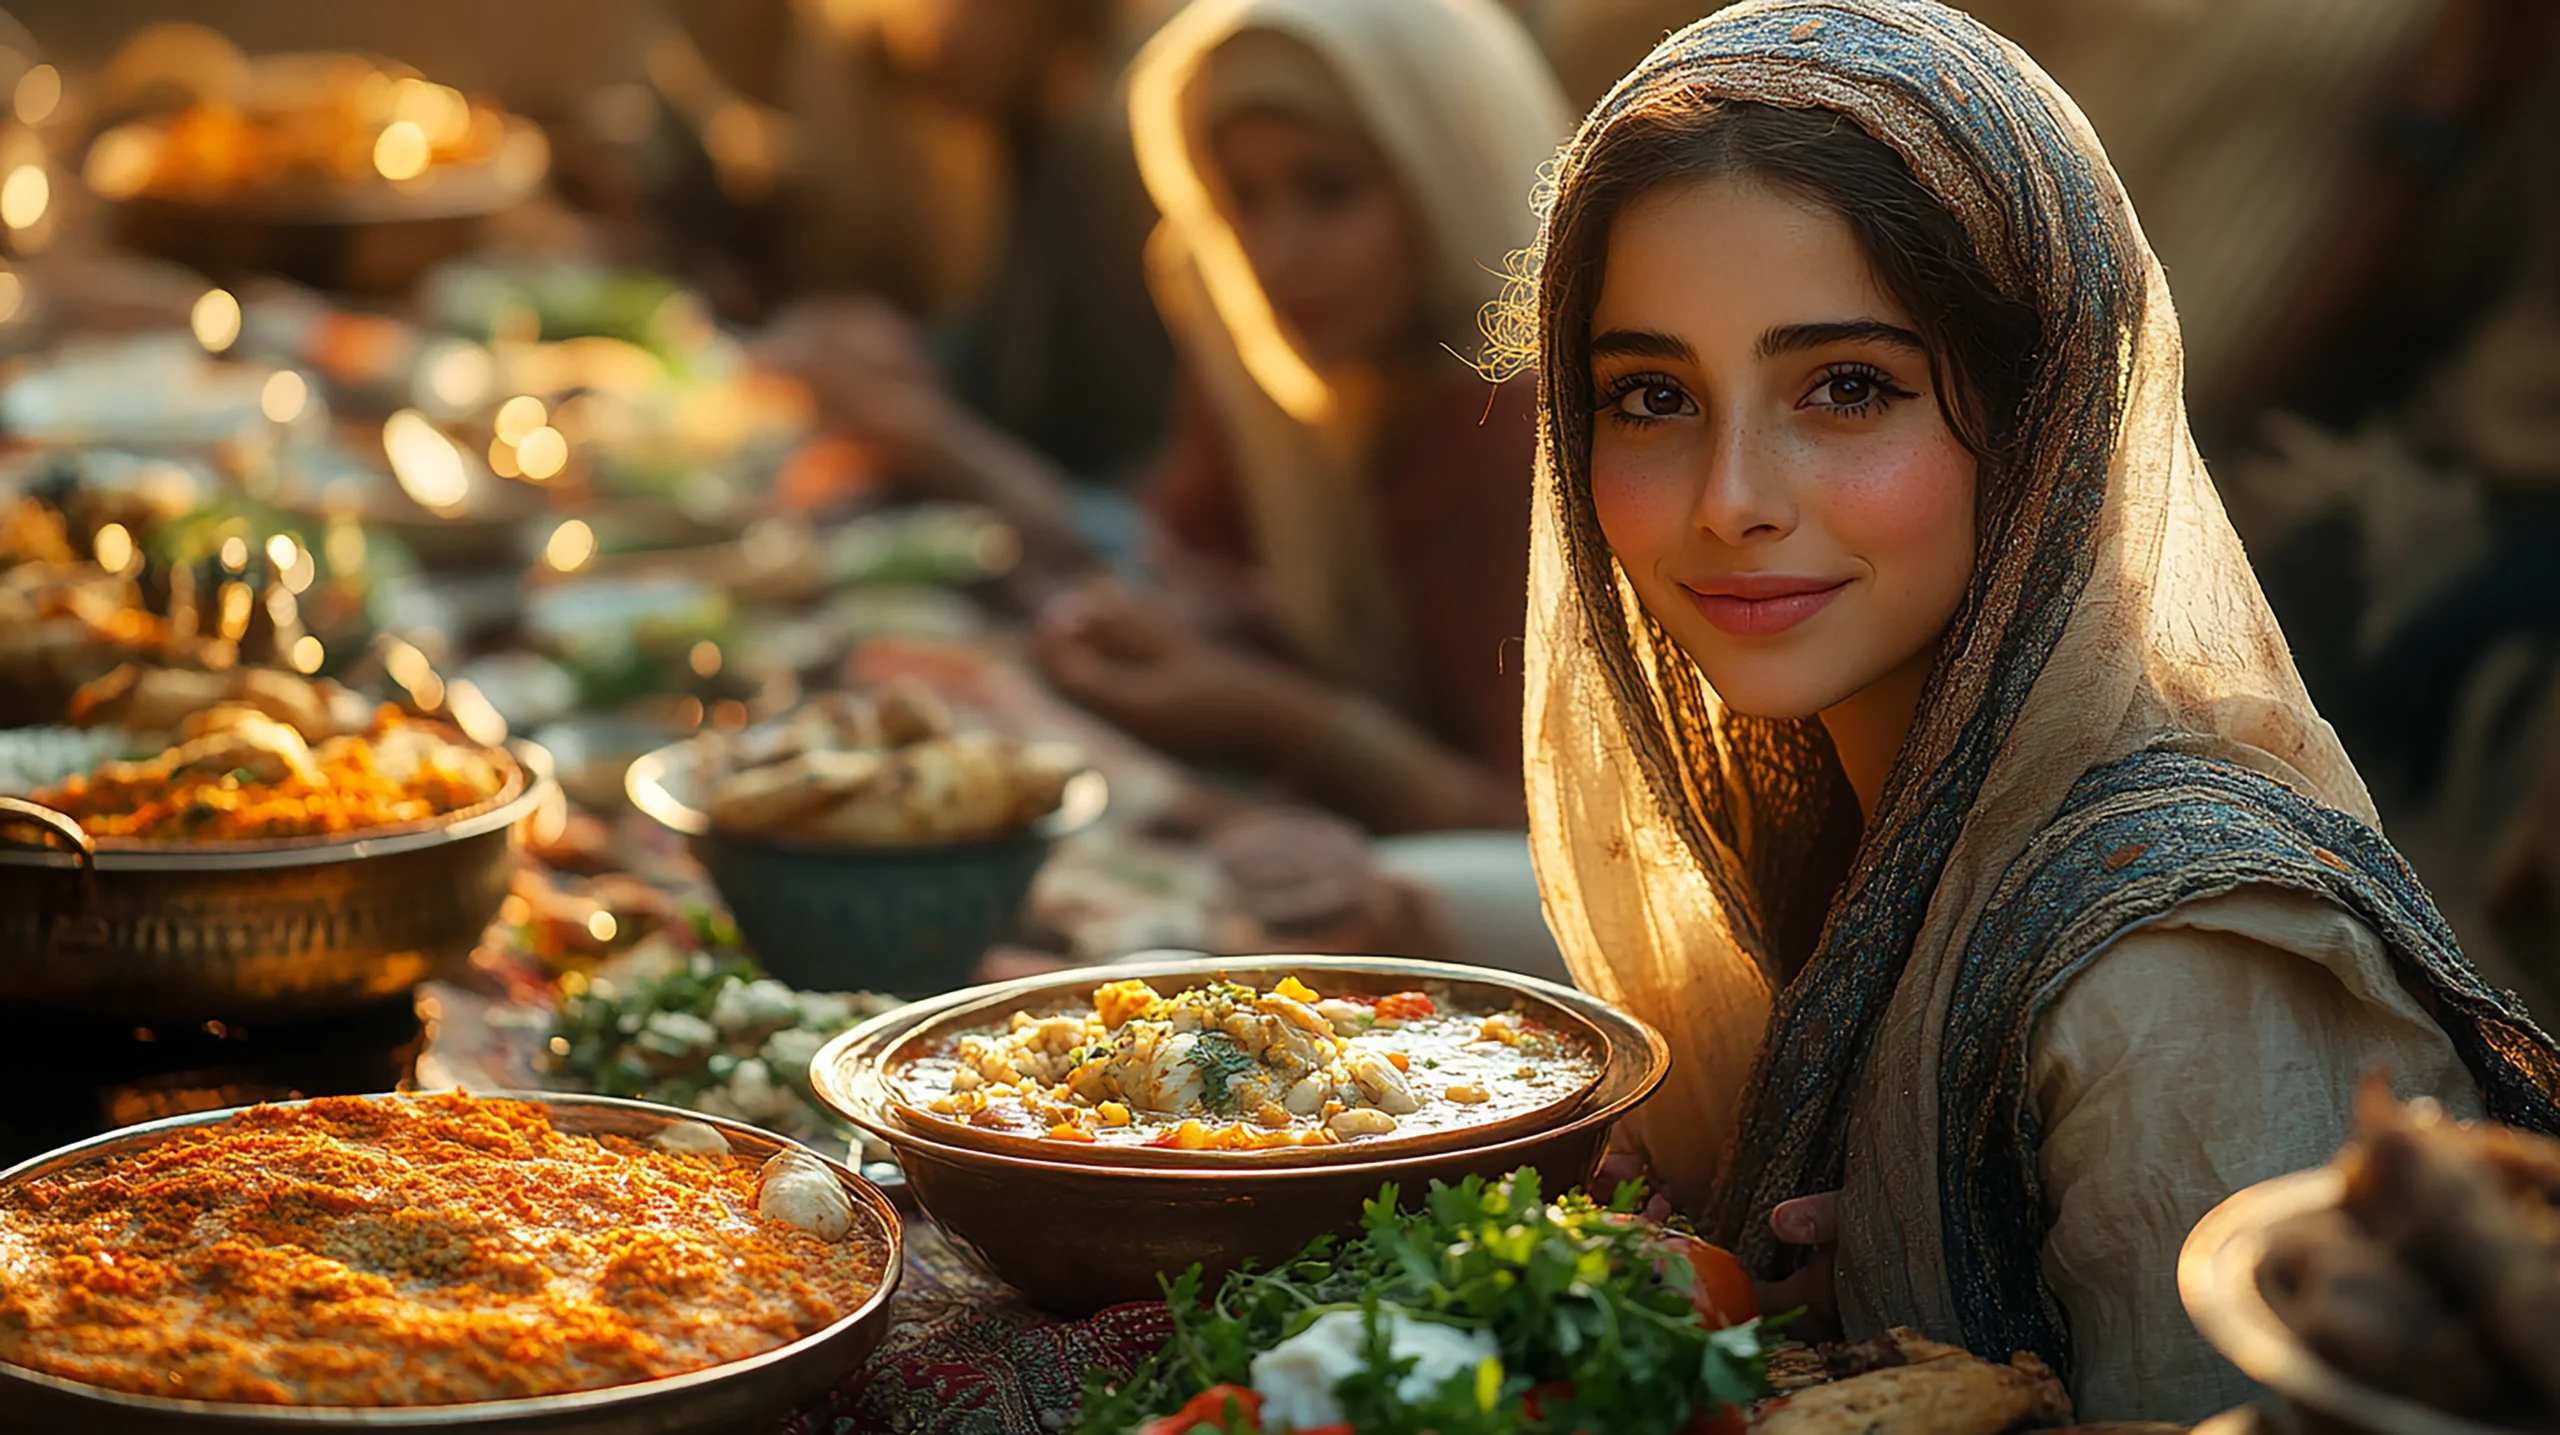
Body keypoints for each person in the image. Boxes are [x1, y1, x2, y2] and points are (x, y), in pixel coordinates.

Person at [1510, 0, 2560, 1419]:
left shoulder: (2182, 974)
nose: (1730, 500)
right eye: (1651, 394)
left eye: (1847, 386)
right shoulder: (1841, 825)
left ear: (2043, 415)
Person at [1030, 0, 1570, 841]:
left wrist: (1277, 714)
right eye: (1241, 199)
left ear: (1447, 171)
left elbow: (1558, 845)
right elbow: (1197, 558)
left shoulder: (1530, 436)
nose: (1275, 255)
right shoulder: (1279, 382)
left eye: (1330, 189)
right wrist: (1190, 622)